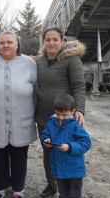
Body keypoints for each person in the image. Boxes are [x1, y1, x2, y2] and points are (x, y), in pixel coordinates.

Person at [0, 31, 37, 198]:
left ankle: (18, 188)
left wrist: (37, 116)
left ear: (17, 44)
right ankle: (1, 186)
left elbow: (38, 90)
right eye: (2, 43)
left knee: (19, 156)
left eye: (9, 42)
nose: (5, 45)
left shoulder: (29, 64)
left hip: (21, 120)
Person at [35, 27, 86, 198]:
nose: (51, 43)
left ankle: (70, 189)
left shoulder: (72, 60)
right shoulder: (40, 61)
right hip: (45, 118)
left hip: (65, 119)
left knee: (67, 151)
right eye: (47, 39)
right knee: (48, 150)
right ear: (44, 41)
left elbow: (79, 85)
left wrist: (79, 109)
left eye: (55, 39)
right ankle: (52, 185)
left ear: (62, 41)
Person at [40, 93, 91, 198]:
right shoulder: (51, 122)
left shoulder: (76, 124)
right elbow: (45, 134)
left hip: (74, 169)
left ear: (73, 111)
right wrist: (45, 140)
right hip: (58, 167)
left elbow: (86, 143)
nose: (61, 117)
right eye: (58, 114)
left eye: (64, 115)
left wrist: (70, 147)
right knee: (63, 193)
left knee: (74, 194)